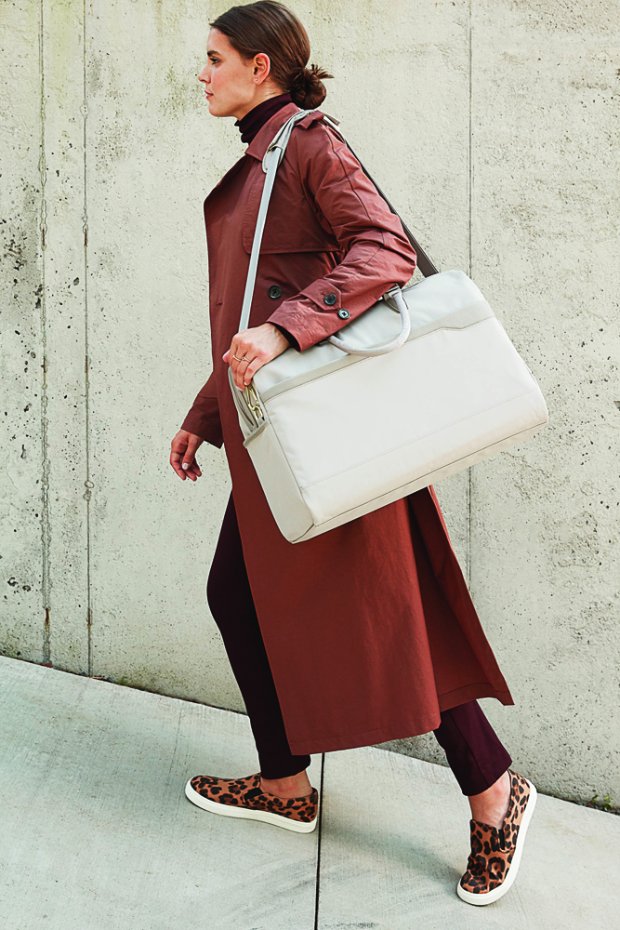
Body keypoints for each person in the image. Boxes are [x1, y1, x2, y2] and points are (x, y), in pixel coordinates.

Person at [169, 0, 537, 907]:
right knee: (242, 595)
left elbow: (383, 251)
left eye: (215, 58)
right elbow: (251, 311)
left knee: (391, 619)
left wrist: (288, 329)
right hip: (288, 445)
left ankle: (496, 793)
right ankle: (287, 786)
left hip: (337, 439)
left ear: (263, 69)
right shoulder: (264, 159)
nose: (202, 73)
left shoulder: (310, 145)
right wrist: (206, 415)